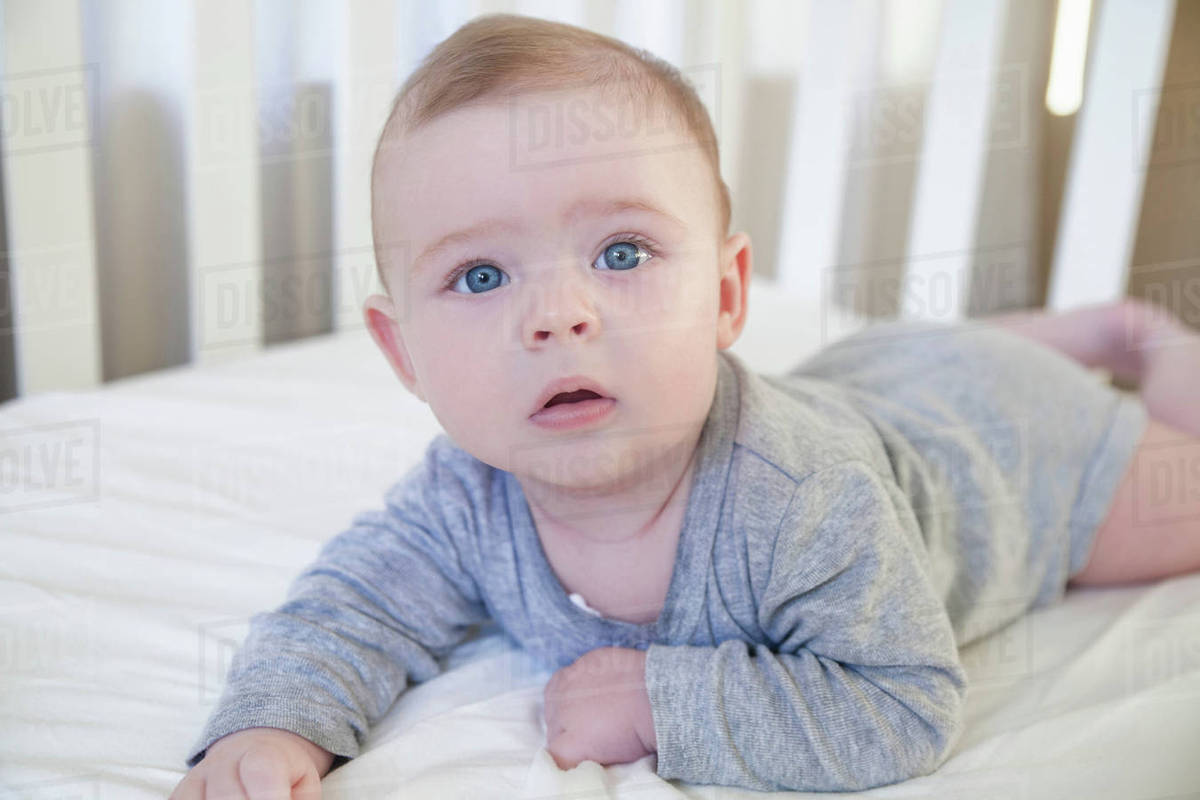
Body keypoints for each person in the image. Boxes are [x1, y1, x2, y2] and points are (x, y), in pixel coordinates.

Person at [170, 13, 1200, 798]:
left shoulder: (802, 497)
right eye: (480, 276)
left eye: (622, 253)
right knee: (900, 369)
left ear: (724, 294)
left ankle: (1137, 340)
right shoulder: (463, 496)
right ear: (403, 352)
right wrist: (271, 724)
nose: (558, 316)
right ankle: (1074, 331)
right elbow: (350, 607)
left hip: (1017, 444)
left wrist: (659, 698)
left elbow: (904, 701)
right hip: (882, 378)